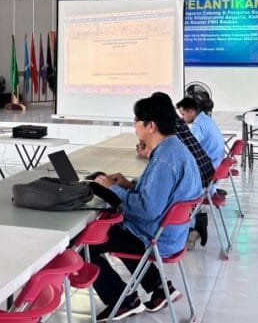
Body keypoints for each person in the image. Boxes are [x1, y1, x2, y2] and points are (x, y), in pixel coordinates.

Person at [88, 93, 202, 320]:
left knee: (86, 243)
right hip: (171, 234)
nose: (134, 126)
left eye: (136, 121)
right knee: (116, 229)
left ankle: (121, 301)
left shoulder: (163, 160)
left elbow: (146, 210)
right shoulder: (172, 148)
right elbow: (156, 195)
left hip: (155, 237)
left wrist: (114, 189)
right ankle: (158, 287)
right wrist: (128, 185)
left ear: (151, 126)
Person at [176, 95, 224, 248]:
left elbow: (186, 148)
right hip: (214, 170)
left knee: (176, 189)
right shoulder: (206, 119)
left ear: (191, 111)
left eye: (183, 114)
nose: (182, 118)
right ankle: (196, 222)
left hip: (207, 175)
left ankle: (191, 227)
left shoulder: (198, 126)